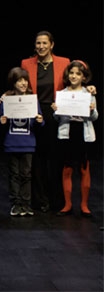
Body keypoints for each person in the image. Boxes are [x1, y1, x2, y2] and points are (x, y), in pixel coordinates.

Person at [20, 30, 97, 213]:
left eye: (45, 43)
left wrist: (89, 90)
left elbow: (76, 81)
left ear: (52, 45)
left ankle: (58, 200)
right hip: (36, 112)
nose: (41, 47)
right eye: (38, 43)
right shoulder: (26, 63)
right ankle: (39, 200)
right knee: (37, 159)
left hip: (58, 113)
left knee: (56, 159)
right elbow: (20, 84)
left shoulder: (63, 62)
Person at [52, 60, 98, 217]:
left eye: (78, 74)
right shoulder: (63, 94)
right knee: (67, 170)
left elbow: (95, 117)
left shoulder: (88, 94)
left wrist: (92, 110)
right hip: (68, 133)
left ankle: (84, 205)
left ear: (84, 77)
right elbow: (58, 119)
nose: (74, 76)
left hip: (83, 134)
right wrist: (56, 110)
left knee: (84, 169)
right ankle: (68, 205)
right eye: (71, 73)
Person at [0, 66, 43, 217]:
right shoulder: (7, 100)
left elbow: (40, 123)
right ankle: (16, 204)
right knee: (14, 175)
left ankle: (26, 204)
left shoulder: (32, 100)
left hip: (28, 143)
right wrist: (2, 121)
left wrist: (40, 120)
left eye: (25, 80)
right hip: (12, 143)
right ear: (13, 83)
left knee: (27, 175)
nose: (23, 83)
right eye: (19, 81)